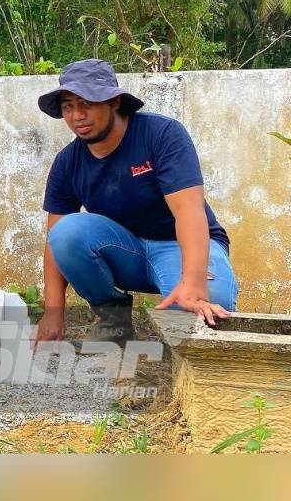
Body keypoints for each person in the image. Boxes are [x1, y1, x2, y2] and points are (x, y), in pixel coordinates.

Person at [33, 58, 238, 345]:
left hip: (177, 246)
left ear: (114, 102)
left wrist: (193, 284)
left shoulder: (161, 134)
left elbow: (189, 211)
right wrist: (53, 313)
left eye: (87, 103)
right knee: (66, 232)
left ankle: (187, 300)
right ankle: (113, 317)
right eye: (68, 106)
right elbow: (54, 240)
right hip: (124, 250)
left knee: (204, 311)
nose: (77, 115)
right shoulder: (68, 162)